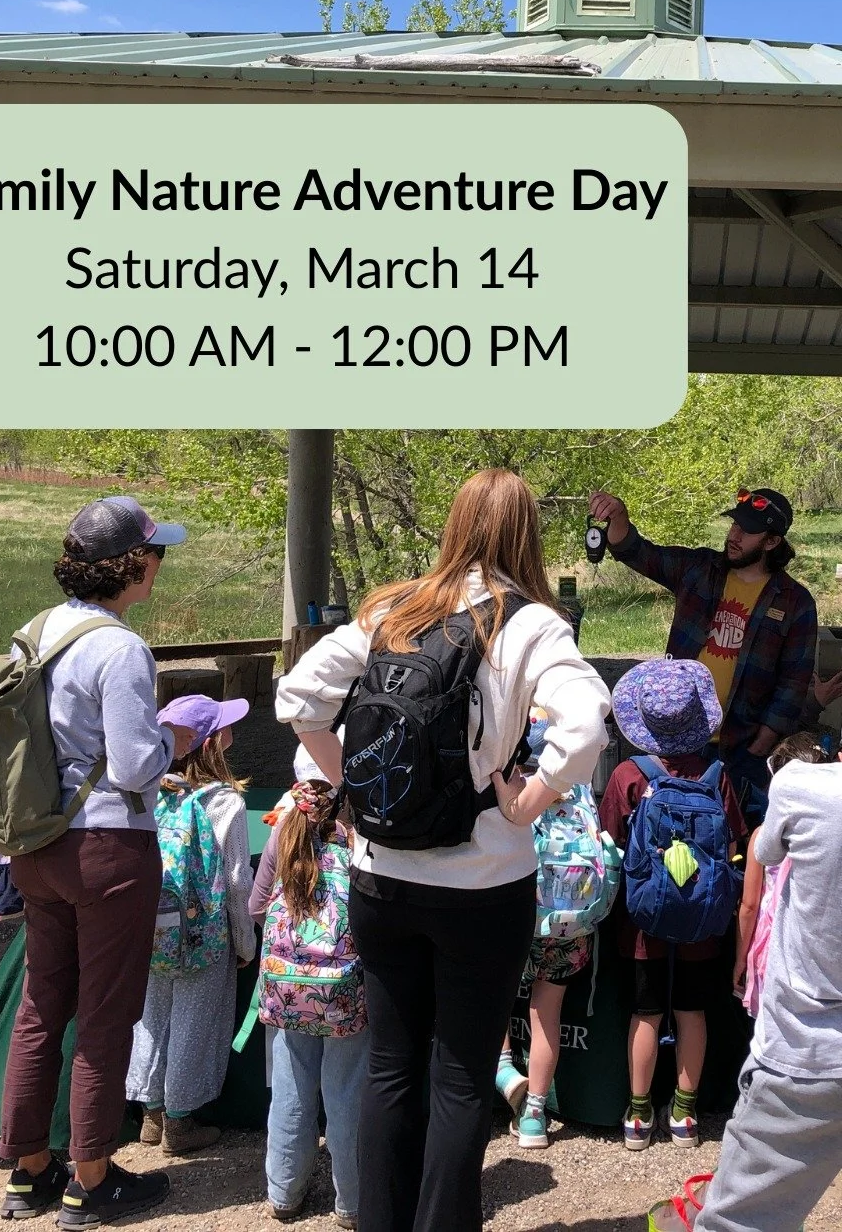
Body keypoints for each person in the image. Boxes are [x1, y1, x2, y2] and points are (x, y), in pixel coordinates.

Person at [275, 468, 611, 1232]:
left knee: (391, 1067)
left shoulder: (393, 609)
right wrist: (526, 802)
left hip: (381, 878)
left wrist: (353, 792)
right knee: (460, 1076)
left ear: (454, 526)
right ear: (526, 531)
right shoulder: (531, 624)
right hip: (485, 884)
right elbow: (588, 723)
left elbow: (295, 697)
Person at [0, 496, 195, 1227]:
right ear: (133, 564)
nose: (160, 564)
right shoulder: (119, 649)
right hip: (107, 847)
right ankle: (91, 1177)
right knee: (107, 1014)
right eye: (156, 552)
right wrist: (177, 736)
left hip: (38, 841)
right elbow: (138, 765)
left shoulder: (35, 630)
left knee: (42, 1005)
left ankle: (28, 1168)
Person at [588, 487, 818, 825]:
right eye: (734, 526)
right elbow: (636, 551)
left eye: (747, 531)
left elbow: (794, 681)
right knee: (665, 835)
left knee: (731, 843)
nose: (734, 536)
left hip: (741, 746)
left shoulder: (795, 602)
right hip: (676, 739)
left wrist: (764, 740)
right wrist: (619, 517)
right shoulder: (698, 568)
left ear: (771, 542)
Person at [599, 658, 746, 1152]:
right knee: (691, 1013)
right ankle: (685, 1114)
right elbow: (733, 848)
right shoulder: (716, 775)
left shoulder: (627, 775)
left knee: (645, 1014)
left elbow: (610, 844)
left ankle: (638, 1117)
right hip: (702, 921)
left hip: (642, 920)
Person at [694, 753, 842, 1232]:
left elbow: (753, 891)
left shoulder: (802, 787)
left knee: (743, 1220)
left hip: (810, 1050)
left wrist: (739, 960)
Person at [126, 694, 256, 1156]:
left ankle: (150, 1114)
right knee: (195, 1021)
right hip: (205, 934)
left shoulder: (151, 792)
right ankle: (181, 1121)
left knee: (153, 1015)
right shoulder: (226, 804)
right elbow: (238, 881)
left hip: (153, 927)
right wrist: (245, 942)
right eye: (224, 726)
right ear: (213, 742)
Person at [249, 750, 368, 1228]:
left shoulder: (285, 830)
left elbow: (258, 906)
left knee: (291, 1086)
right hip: (344, 990)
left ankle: (284, 1193)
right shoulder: (358, 837)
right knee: (348, 1090)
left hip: (286, 987)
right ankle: (353, 1202)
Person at [495, 712, 603, 1150]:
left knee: (493, 994)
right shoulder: (578, 789)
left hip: (518, 913)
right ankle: (536, 1117)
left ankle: (503, 1073)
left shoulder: (514, 787)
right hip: (570, 922)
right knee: (547, 1014)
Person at [733, 732, 830, 1017]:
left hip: (774, 950)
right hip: (820, 947)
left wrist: (740, 958)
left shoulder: (763, 837)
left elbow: (749, 905)